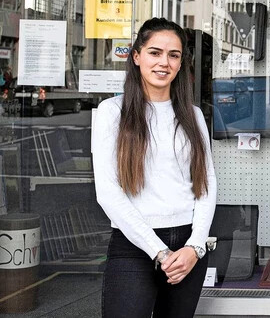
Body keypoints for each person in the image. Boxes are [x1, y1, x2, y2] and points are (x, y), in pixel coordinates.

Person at [93, 17, 216, 318]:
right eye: (155, 52)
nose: (164, 62)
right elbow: (108, 193)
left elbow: (206, 182)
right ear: (136, 56)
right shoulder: (112, 113)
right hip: (134, 245)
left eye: (174, 55)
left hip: (188, 246)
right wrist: (159, 252)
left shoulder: (193, 115)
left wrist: (196, 246)